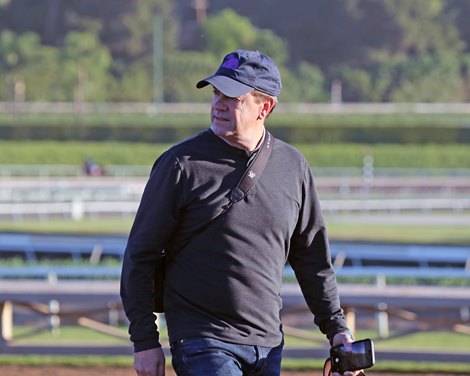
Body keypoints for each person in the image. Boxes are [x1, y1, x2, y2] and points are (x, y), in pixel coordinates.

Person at [121, 49, 361, 376]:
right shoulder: (180, 164)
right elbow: (140, 255)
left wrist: (338, 331)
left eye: (233, 97)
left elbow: (313, 260)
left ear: (266, 107)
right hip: (202, 338)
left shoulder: (293, 167)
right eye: (217, 92)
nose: (218, 103)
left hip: (268, 344)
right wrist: (145, 341)